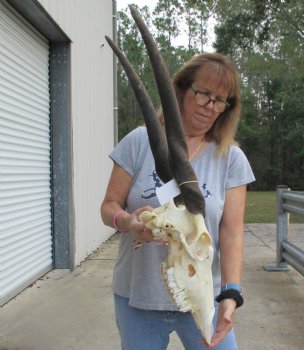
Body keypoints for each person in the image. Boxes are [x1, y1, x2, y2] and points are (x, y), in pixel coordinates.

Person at [100, 52, 255, 350]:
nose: (211, 107)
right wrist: (128, 222)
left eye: (221, 100)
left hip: (201, 295)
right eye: (203, 95)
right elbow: (109, 206)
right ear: (183, 89)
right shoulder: (139, 142)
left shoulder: (230, 158)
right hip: (138, 296)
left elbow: (232, 233)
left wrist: (231, 293)